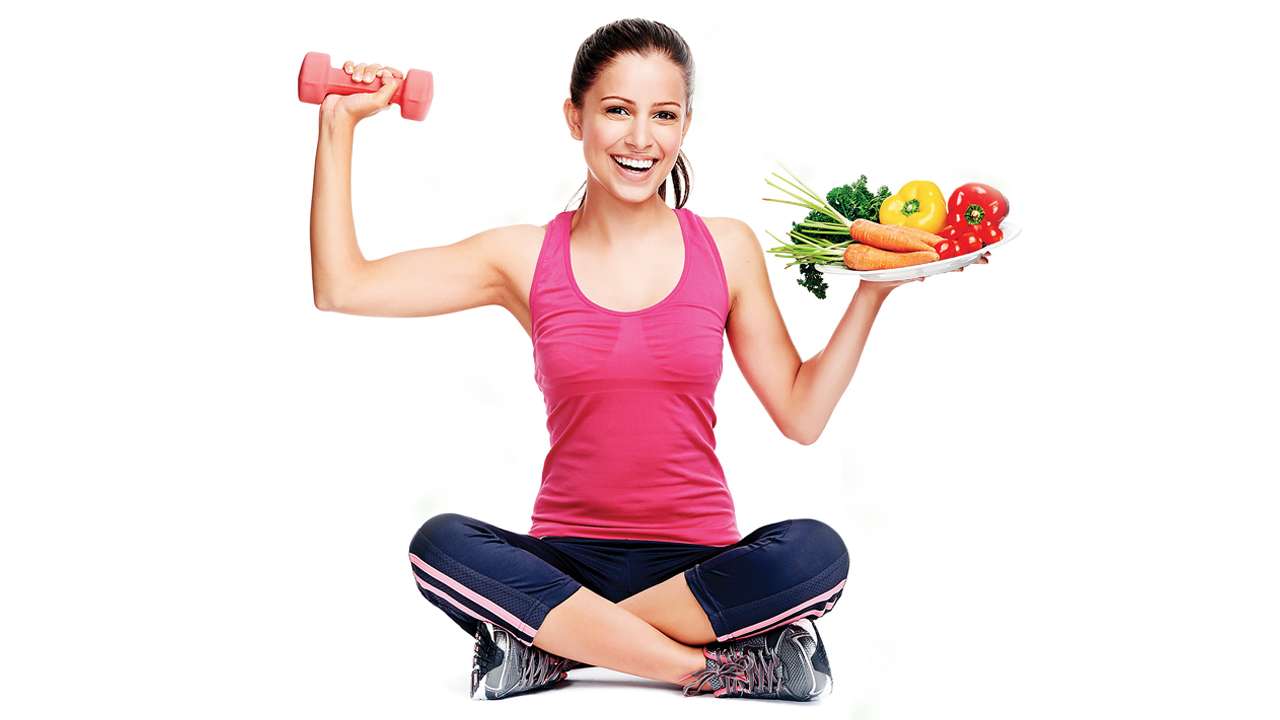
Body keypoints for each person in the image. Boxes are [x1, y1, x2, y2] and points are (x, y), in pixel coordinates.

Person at [308, 18, 988, 703]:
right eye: (616, 111)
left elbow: (802, 414)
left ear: (687, 124)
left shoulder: (727, 249)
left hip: (700, 573)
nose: (641, 138)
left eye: (663, 114)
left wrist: (873, 292)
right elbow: (344, 286)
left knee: (818, 554)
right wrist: (339, 125)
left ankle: (553, 648)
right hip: (563, 565)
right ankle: (708, 667)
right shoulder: (519, 257)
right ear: (575, 119)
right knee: (441, 545)